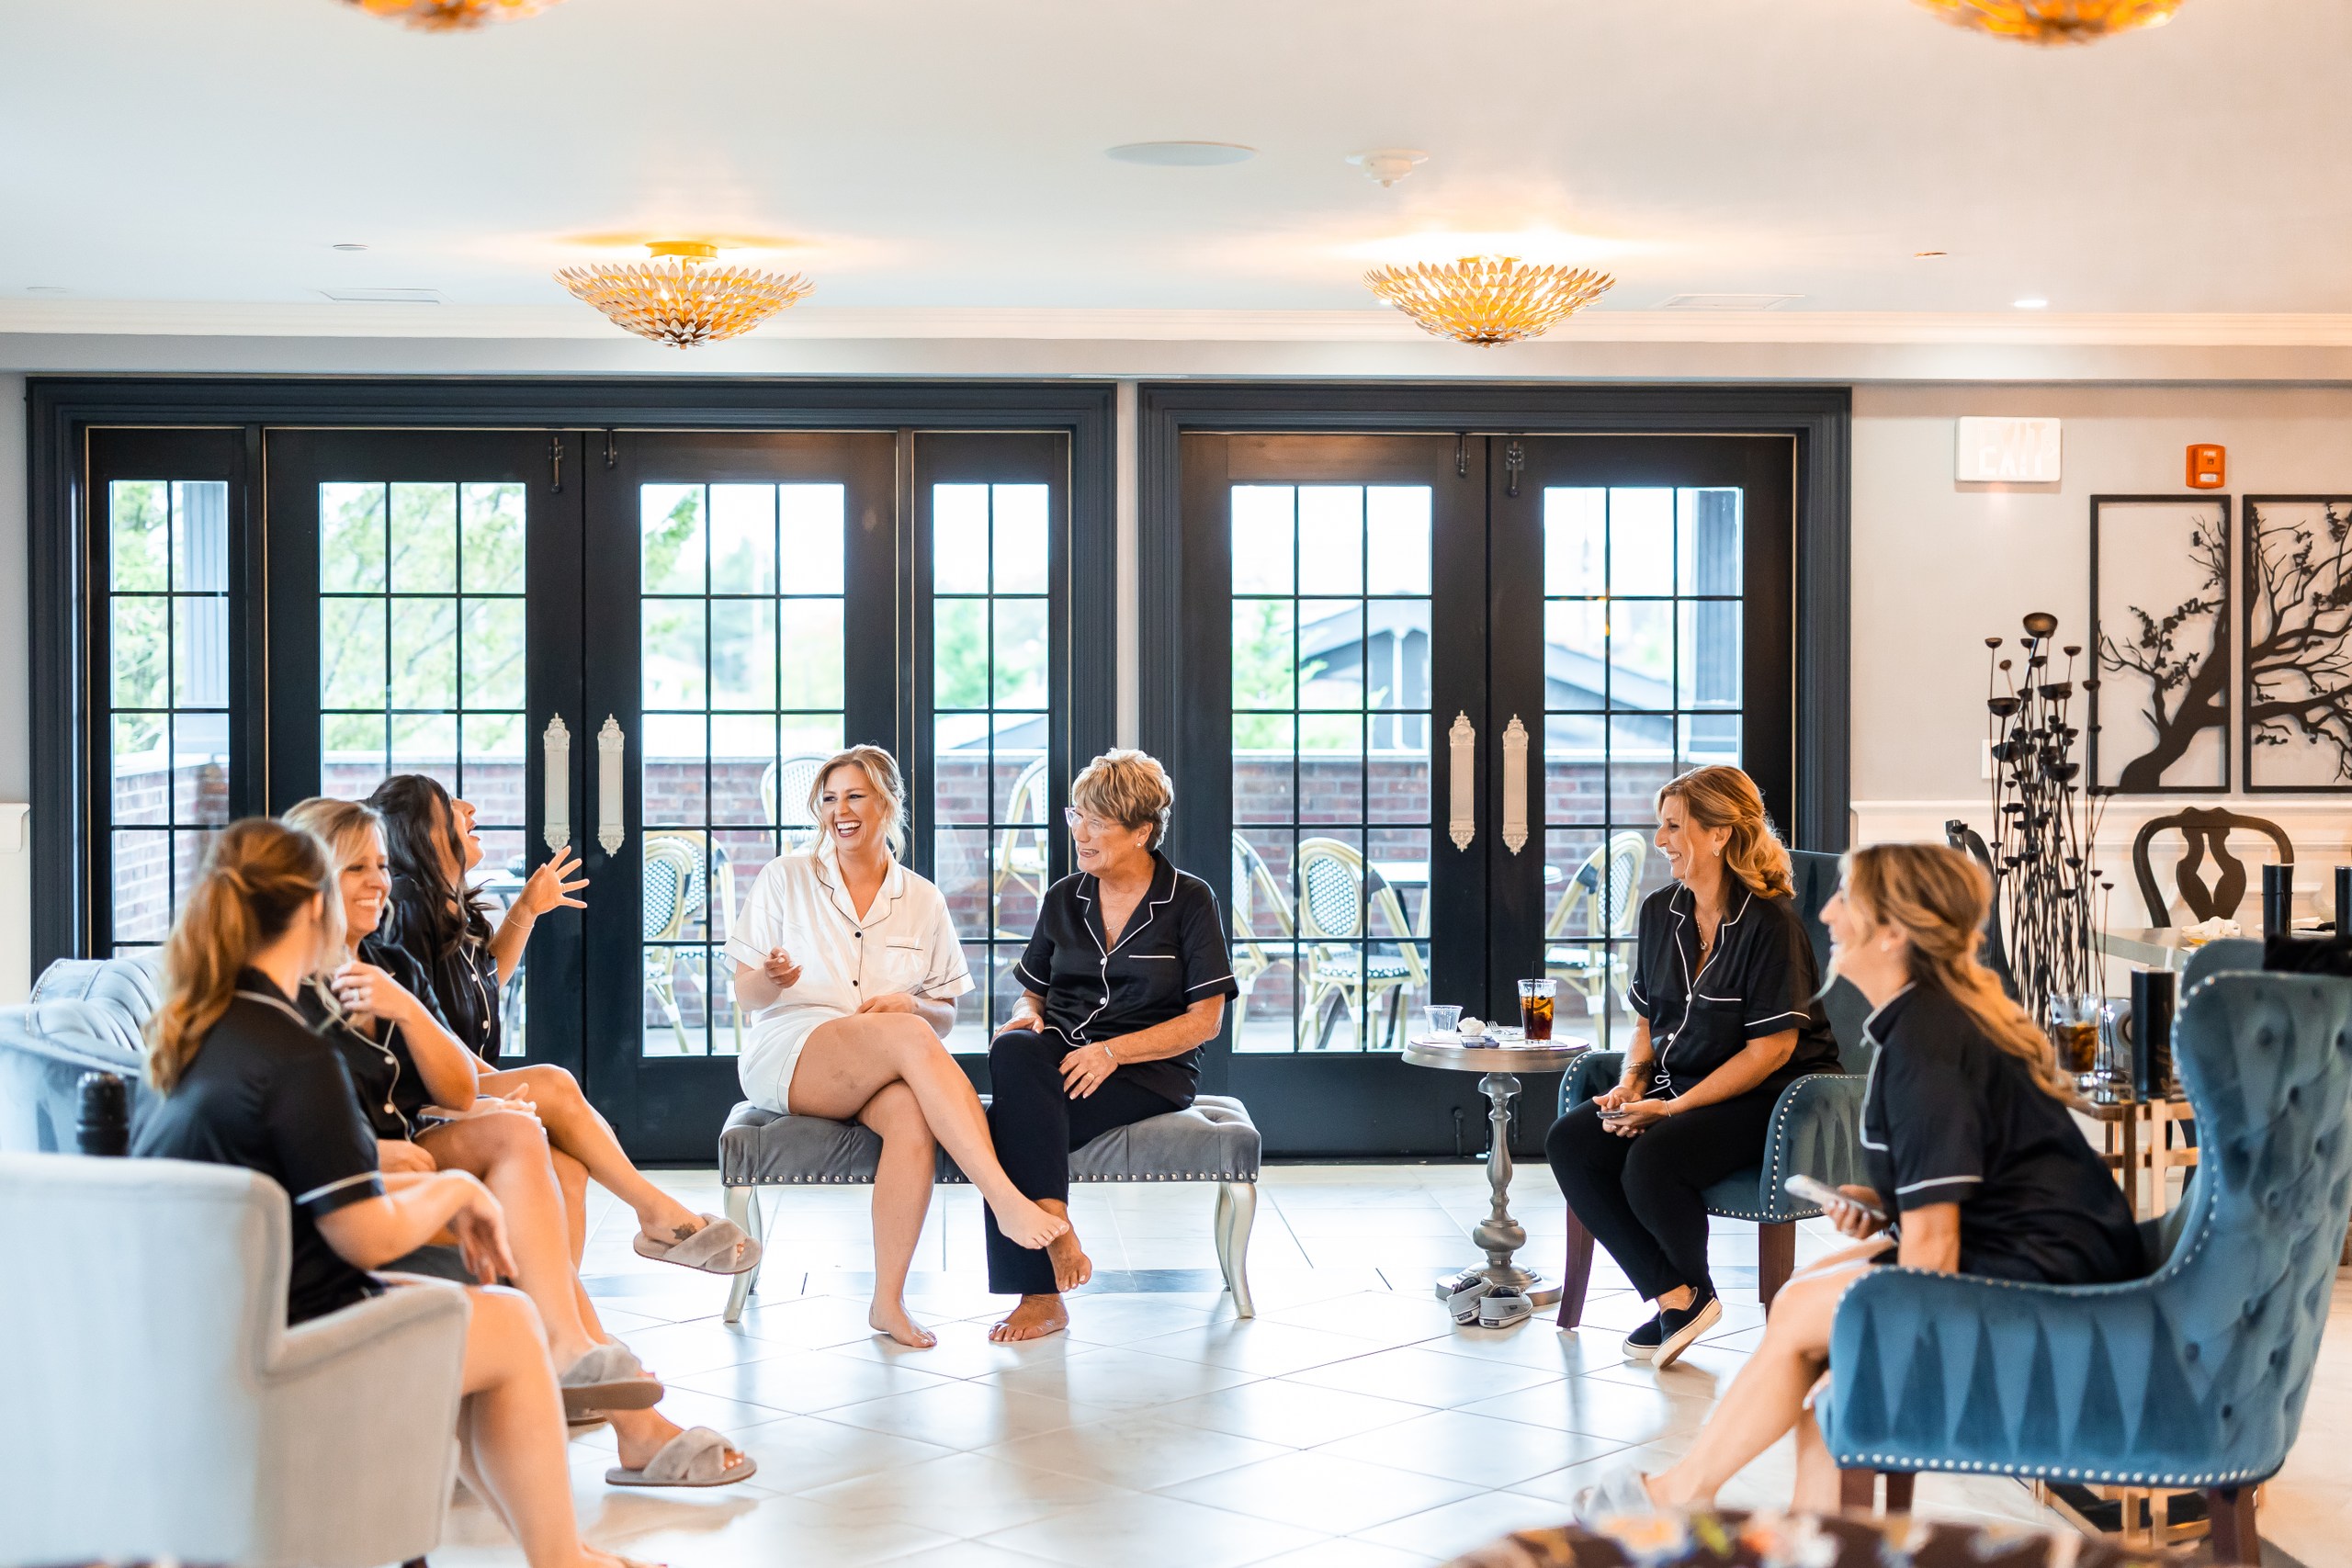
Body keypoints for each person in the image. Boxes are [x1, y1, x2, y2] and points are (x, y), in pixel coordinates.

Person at [127, 818, 656, 1568]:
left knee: (489, 1315)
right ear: (315, 908)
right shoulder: (295, 1052)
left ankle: (564, 1552)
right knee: (510, 1324)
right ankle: (563, 1557)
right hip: (284, 1347)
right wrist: (454, 1194)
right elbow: (365, 1235)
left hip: (207, 1327)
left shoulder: (195, 1028)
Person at [1576, 841, 2146, 1519]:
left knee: (1808, 1326)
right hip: (2020, 1250)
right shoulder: (1923, 1021)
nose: (1827, 913)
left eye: (1846, 898)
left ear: (1894, 930)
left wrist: (1882, 1361)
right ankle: (1799, 1530)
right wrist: (1879, 1203)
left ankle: (1677, 1495)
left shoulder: (1928, 1040)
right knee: (1799, 1310)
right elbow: (1971, 1180)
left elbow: (1937, 1247)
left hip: (2051, 1279)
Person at [286, 796, 752, 1489]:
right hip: (359, 1180)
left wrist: (405, 1006)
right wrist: (376, 1150)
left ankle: (591, 1372)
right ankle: (605, 1380)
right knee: (530, 1128)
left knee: (534, 1146)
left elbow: (457, 1081)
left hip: (413, 1149)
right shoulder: (284, 987)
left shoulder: (387, 959)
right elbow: (285, 1120)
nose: (379, 881)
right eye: (357, 868)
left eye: (381, 866)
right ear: (308, 877)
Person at [727, 744, 1069, 1348]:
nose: (840, 810)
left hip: (879, 1068)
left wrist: (911, 1006)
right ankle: (1004, 1198)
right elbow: (746, 996)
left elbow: (944, 1014)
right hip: (793, 1050)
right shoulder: (785, 877)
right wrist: (772, 978)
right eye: (829, 799)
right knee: (908, 1036)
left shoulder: (922, 898)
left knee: (913, 1115)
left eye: (855, 796)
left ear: (887, 804)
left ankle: (887, 1301)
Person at [363, 773, 758, 1276]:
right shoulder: (406, 907)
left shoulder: (448, 906)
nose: (468, 807)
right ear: (424, 831)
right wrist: (496, 1094)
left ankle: (561, 1307)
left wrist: (527, 909)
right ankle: (657, 1213)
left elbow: (484, 982)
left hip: (458, 1086)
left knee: (569, 1167)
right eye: (449, 803)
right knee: (552, 1082)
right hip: (423, 1103)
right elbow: (423, 1030)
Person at [1545, 764, 1843, 1369]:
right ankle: (1678, 1296)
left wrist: (1671, 1109)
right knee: (1572, 1141)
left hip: (1775, 1098)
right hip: (1680, 1085)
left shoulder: (1771, 924)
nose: (1659, 840)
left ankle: (1690, 1293)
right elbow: (1644, 1025)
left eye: (1674, 826)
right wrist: (1631, 1086)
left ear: (1719, 834)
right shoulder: (1660, 912)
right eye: (1661, 826)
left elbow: (1771, 1049)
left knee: (1655, 1156)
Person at [986, 750, 1237, 1343]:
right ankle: (1058, 1225)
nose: (1080, 833)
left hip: (1148, 1070)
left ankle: (1040, 1297)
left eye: (1097, 822)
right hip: (1062, 1053)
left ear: (1142, 831)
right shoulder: (1063, 897)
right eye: (1077, 816)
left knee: (1006, 1127)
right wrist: (1024, 1018)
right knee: (1011, 1051)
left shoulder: (1189, 900)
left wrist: (1112, 1052)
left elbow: (1204, 1021)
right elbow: (1032, 996)